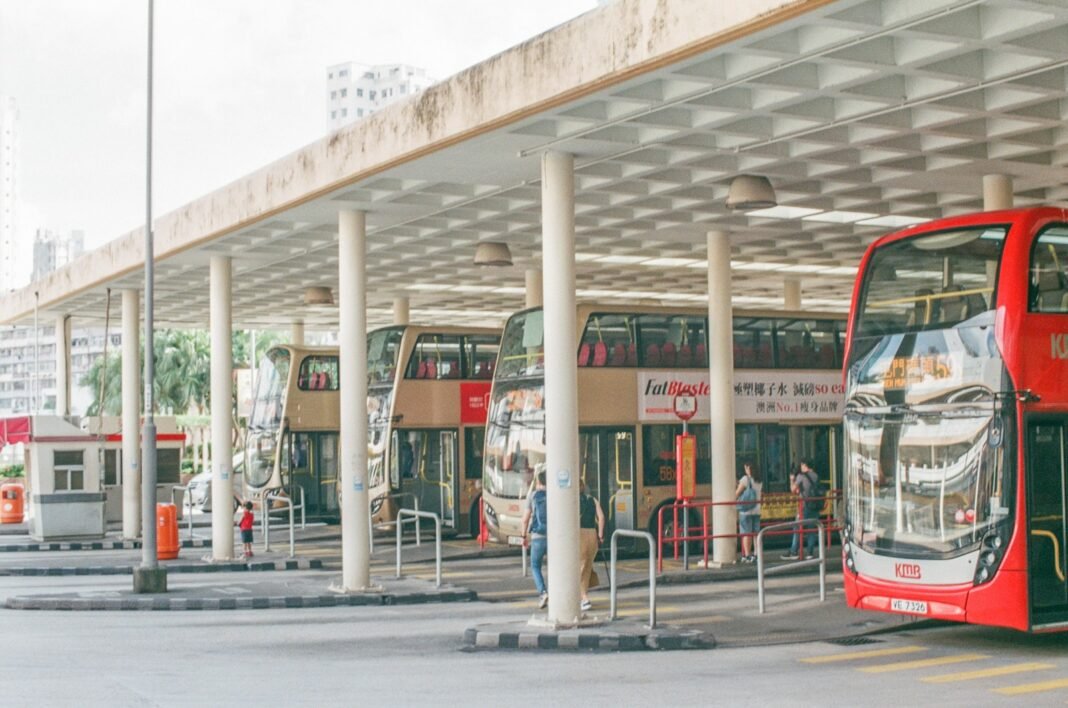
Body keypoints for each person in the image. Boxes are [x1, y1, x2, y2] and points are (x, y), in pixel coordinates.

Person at [521, 468, 549, 609]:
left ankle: (543, 592)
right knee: (554, 567)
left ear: (538, 481)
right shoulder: (555, 495)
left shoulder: (532, 496)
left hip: (538, 537)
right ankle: (557, 593)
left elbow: (525, 519)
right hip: (554, 538)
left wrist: (524, 536)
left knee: (535, 566)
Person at [783, 460, 820, 560]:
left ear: (805, 465)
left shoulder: (801, 476)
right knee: (811, 529)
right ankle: (810, 553)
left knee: (797, 528)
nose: (801, 468)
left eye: (801, 465)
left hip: (804, 506)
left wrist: (791, 479)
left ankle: (794, 551)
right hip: (815, 506)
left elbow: (793, 489)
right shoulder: (816, 476)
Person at [578, 480, 606, 612]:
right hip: (592, 535)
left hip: (579, 535)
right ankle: (582, 597)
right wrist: (600, 535)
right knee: (587, 568)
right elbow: (601, 517)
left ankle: (584, 598)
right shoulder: (592, 499)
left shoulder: (571, 501)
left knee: (579, 569)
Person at [735, 461, 762, 563]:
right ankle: (756, 554)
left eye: (745, 468)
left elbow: (737, 494)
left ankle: (747, 555)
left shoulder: (745, 479)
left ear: (748, 468)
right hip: (756, 509)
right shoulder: (759, 480)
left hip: (746, 511)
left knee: (746, 533)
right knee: (756, 533)